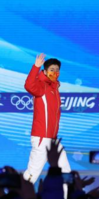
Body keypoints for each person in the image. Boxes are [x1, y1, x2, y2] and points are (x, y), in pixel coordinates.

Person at [22, 53, 71, 183]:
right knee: (32, 175)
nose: (55, 72)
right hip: (42, 138)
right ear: (45, 71)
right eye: (51, 69)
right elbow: (29, 86)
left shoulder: (55, 89)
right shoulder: (41, 86)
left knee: (65, 171)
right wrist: (35, 67)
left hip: (53, 140)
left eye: (57, 70)